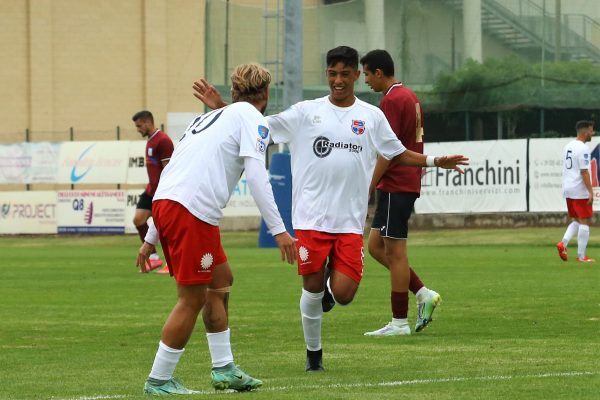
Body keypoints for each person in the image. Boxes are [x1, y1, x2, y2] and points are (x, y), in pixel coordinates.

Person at [193, 46, 468, 372]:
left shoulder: (371, 116)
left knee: (344, 293)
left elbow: (396, 152)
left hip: (349, 223)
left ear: (355, 75)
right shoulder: (305, 112)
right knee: (310, 288)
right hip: (310, 220)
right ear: (328, 75)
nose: (338, 81)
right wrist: (223, 108)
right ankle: (314, 357)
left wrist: (436, 161)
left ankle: (326, 288)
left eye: (345, 74)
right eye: (332, 74)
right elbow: (257, 128)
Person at [136, 63, 297, 394]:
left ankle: (224, 369)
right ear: (266, 94)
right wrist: (279, 230)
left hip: (170, 206)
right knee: (192, 298)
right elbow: (256, 175)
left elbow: (170, 175)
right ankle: (159, 380)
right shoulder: (250, 118)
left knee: (221, 279)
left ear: (234, 92)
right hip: (190, 212)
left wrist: (150, 238)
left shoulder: (205, 119)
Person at [359, 49, 441, 337]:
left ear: (379, 73)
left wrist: (369, 183)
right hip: (398, 184)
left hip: (397, 184)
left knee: (395, 252)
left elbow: (388, 150)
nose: (365, 80)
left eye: (367, 74)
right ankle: (422, 293)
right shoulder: (408, 95)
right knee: (376, 247)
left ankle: (399, 322)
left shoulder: (392, 100)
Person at [131, 110, 174, 273]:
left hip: (162, 192)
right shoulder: (150, 140)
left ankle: (173, 263)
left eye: (139, 125)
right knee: (138, 220)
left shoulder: (163, 141)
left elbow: (169, 169)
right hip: (151, 190)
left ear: (148, 122)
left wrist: (167, 191)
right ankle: (155, 259)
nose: (138, 129)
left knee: (166, 228)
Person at [556, 120, 595, 263]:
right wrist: (590, 191)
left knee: (577, 220)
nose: (593, 133)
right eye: (591, 131)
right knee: (584, 221)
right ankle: (581, 256)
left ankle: (563, 243)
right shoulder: (583, 148)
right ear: (585, 132)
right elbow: (584, 171)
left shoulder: (568, 146)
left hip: (568, 187)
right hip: (579, 189)